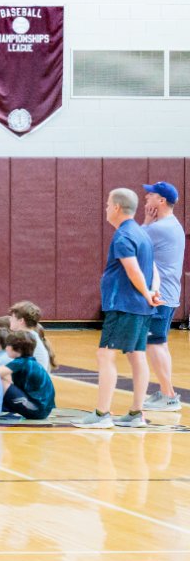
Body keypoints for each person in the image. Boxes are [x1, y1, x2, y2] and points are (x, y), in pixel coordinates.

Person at [84, 187, 160, 429]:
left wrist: (147, 292)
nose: (106, 208)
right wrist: (152, 292)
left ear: (116, 207)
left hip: (124, 305)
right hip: (140, 307)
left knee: (105, 354)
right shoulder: (141, 233)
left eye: (108, 204)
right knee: (137, 355)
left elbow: (133, 269)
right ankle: (136, 413)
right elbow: (152, 269)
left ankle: (101, 414)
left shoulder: (123, 236)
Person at [142, 181, 183, 415]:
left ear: (162, 201)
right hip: (166, 295)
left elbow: (134, 240)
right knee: (159, 344)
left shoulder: (160, 228)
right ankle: (166, 392)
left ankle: (169, 396)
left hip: (160, 297)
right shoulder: (170, 224)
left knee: (155, 344)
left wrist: (147, 222)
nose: (146, 199)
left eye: (151, 196)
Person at [0, 330, 56, 423]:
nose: (6, 348)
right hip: (42, 409)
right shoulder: (29, 361)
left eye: (8, 345)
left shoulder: (21, 362)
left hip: (37, 410)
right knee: (4, 377)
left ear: (17, 349)